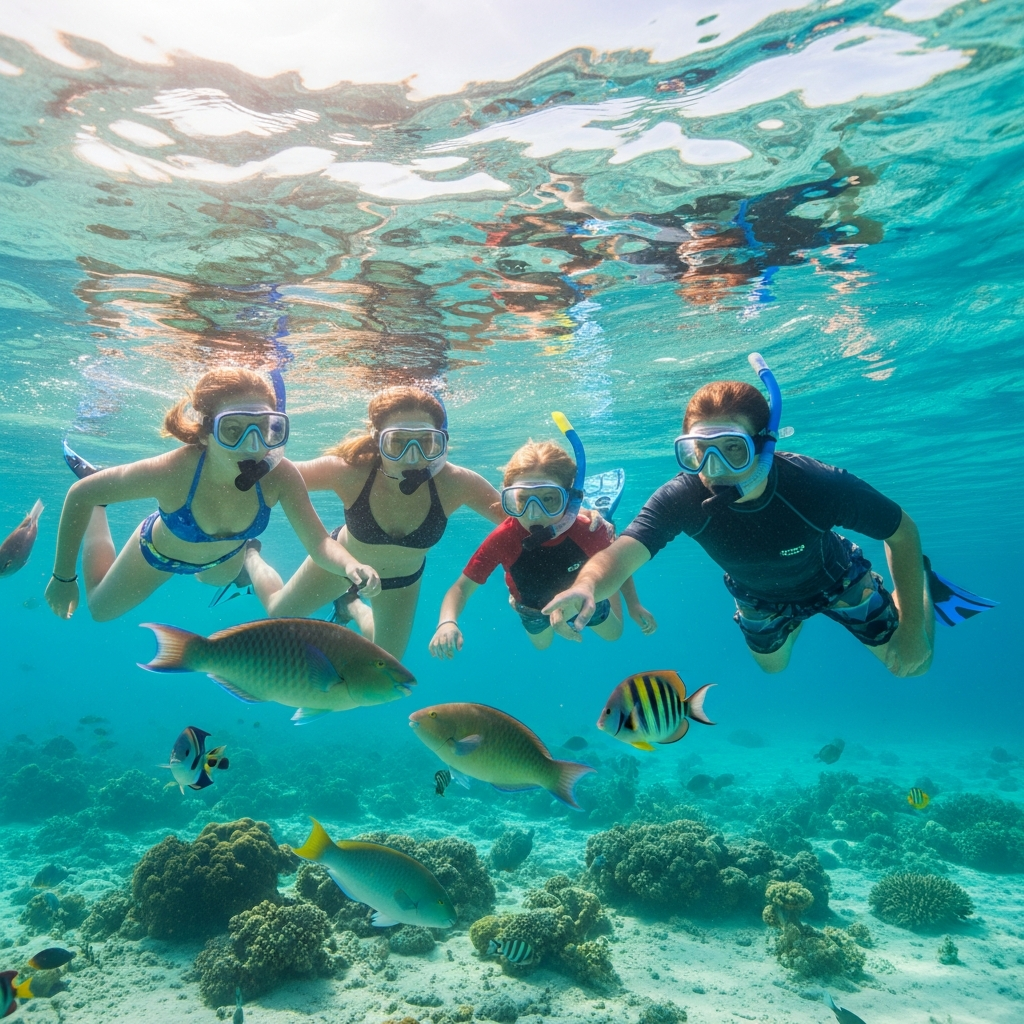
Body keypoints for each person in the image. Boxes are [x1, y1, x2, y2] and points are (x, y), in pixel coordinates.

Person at [543, 355, 942, 677]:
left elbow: (902, 532)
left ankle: (920, 583)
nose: (714, 469)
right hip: (757, 594)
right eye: (700, 451)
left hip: (835, 577)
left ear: (764, 447)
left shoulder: (815, 484)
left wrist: (912, 632)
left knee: (913, 665)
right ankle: (794, 619)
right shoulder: (682, 496)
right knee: (773, 668)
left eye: (733, 449)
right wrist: (588, 586)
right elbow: (623, 553)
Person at [46, 367, 380, 622]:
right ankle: (101, 511)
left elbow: (320, 544)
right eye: (232, 430)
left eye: (265, 429)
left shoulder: (280, 476)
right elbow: (79, 495)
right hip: (157, 554)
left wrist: (351, 566)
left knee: (212, 581)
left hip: (221, 562)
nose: (253, 445)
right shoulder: (175, 470)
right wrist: (63, 577)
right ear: (205, 434)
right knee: (100, 610)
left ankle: (247, 555)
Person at [241, 386, 505, 659]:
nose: (411, 457)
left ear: (441, 444)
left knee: (386, 662)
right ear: (377, 439)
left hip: (402, 580)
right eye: (397, 442)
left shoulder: (457, 483)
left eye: (425, 443)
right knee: (277, 612)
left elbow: (517, 521)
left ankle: (351, 605)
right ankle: (250, 555)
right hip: (339, 565)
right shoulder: (349, 473)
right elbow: (277, 475)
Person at [429, 417, 656, 659]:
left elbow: (619, 566)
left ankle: (608, 527)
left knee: (614, 634)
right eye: (523, 499)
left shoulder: (587, 529)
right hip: (532, 608)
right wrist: (446, 622)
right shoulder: (504, 538)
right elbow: (461, 588)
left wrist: (633, 604)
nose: (534, 513)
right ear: (509, 498)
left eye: (549, 499)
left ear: (570, 499)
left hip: (583, 599)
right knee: (542, 646)